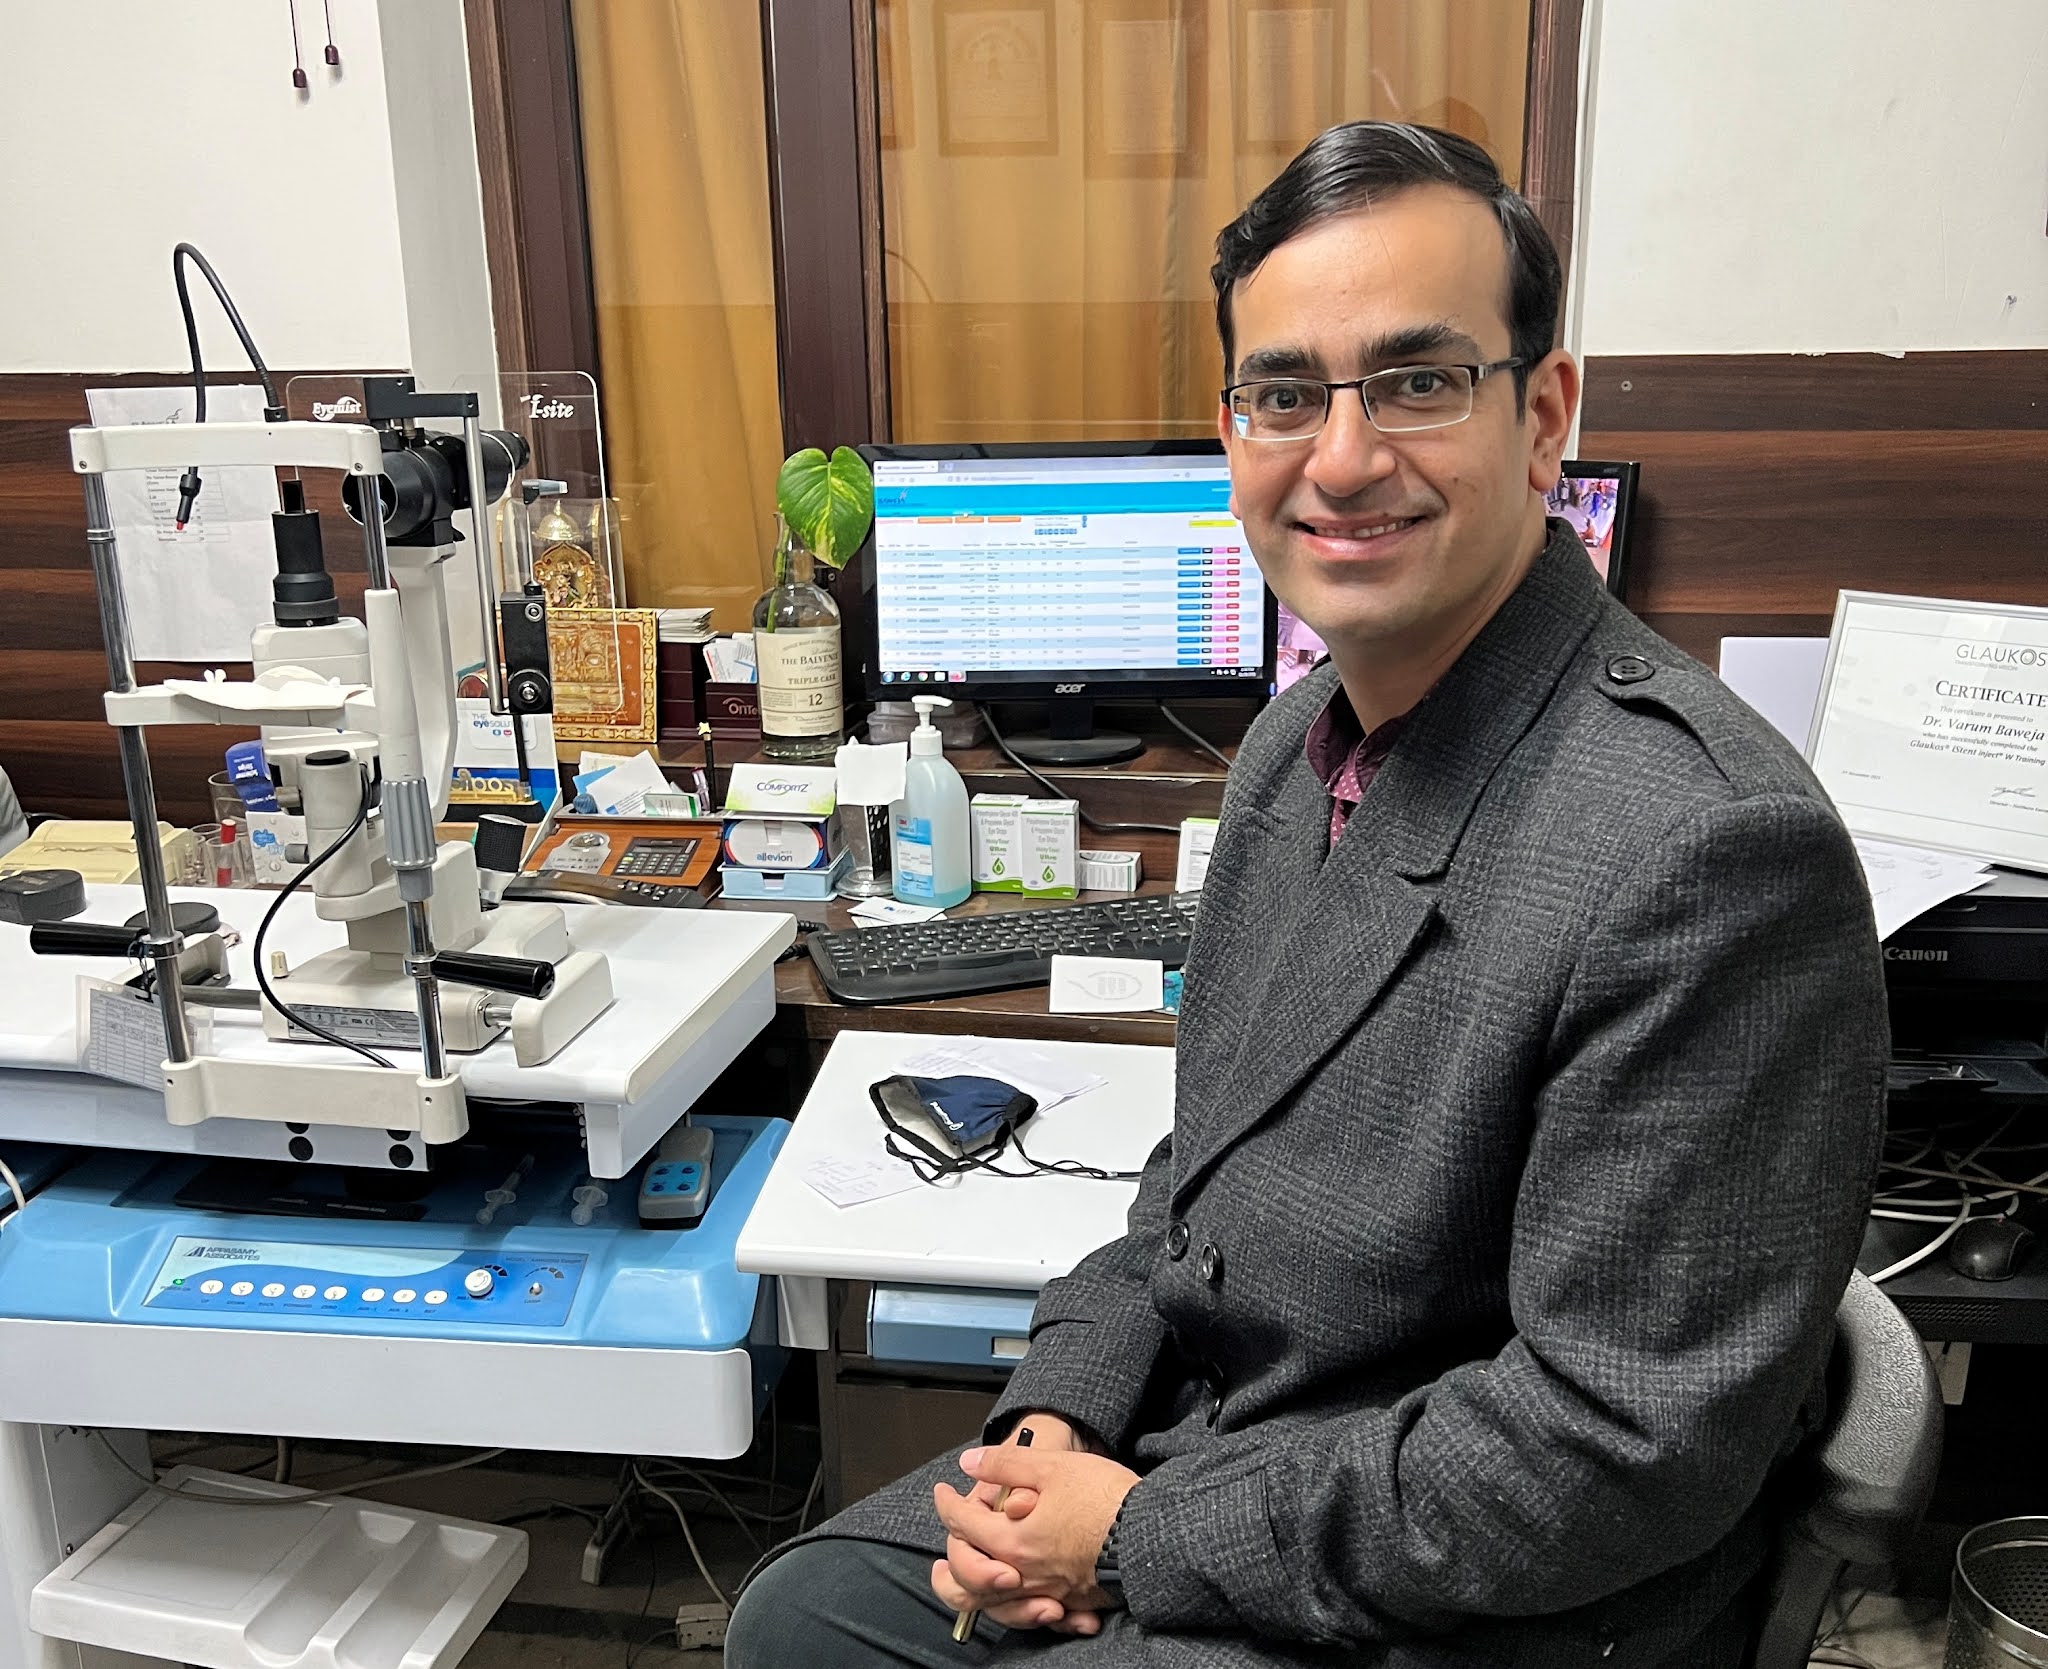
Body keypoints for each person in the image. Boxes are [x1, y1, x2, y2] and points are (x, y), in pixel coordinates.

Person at [728, 121, 1886, 1668]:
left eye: (1418, 383)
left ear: (1543, 416)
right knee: (802, 1613)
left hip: (1473, 1596)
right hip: (1234, 1448)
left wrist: (1135, 1536)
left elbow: (1613, 1447)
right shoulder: (1295, 747)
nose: (1340, 459)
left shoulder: (1706, 849)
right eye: (1285, 395)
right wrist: (1058, 1419)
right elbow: (1197, 1181)